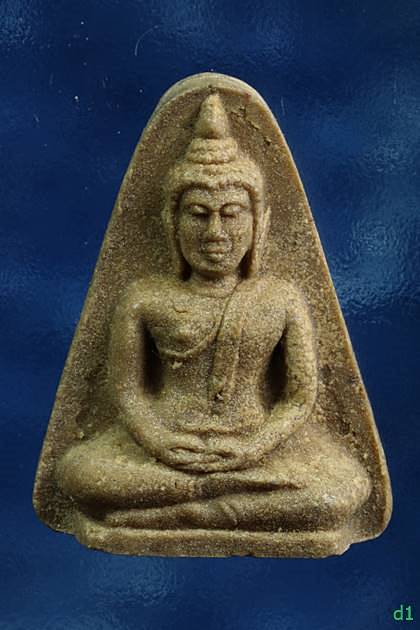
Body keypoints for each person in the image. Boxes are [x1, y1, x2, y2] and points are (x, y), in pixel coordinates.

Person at [57, 94, 371, 532]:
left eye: (232, 214)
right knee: (80, 475)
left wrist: (254, 446)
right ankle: (223, 502)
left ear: (258, 224)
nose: (215, 233)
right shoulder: (145, 299)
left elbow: (299, 398)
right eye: (199, 215)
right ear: (172, 224)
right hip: (167, 448)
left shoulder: (281, 299)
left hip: (255, 448)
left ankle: (180, 513)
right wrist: (159, 442)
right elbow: (127, 393)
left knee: (342, 490)